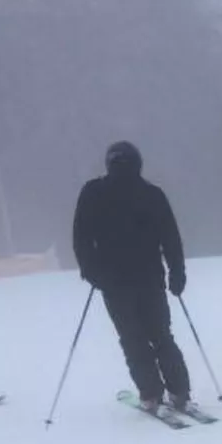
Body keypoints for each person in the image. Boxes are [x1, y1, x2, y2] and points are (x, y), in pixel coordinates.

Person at [71, 141, 192, 412]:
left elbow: (81, 239)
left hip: (116, 282)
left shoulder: (94, 192)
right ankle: (179, 391)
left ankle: (151, 393)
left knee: (133, 338)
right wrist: (177, 273)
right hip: (146, 279)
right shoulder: (151, 194)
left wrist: (92, 272)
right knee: (160, 335)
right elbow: (171, 239)